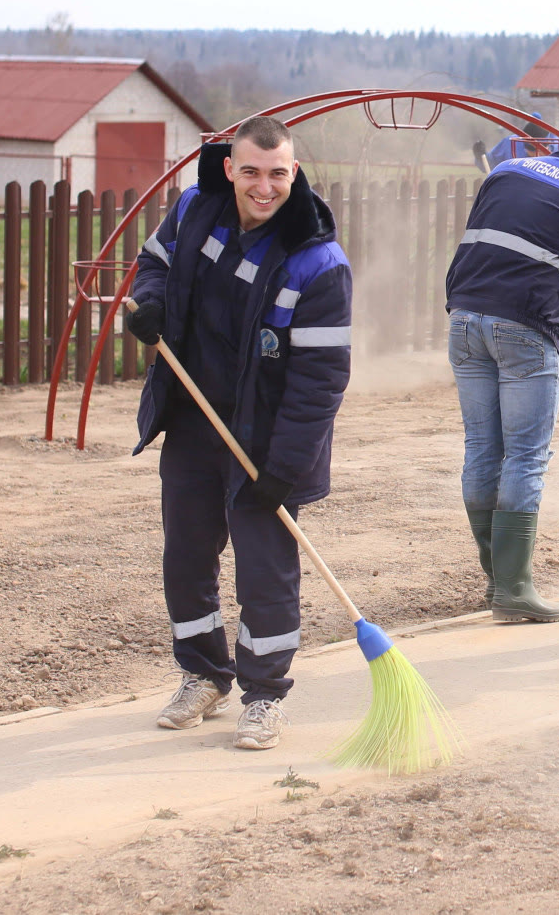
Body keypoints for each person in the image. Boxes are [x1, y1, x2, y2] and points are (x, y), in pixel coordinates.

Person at [125, 114, 353, 750]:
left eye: (278, 173)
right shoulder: (197, 208)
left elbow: (322, 380)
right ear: (229, 168)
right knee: (187, 556)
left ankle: (264, 696)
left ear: (294, 172)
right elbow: (154, 266)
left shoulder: (317, 262)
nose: (264, 186)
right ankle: (203, 675)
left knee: (265, 571)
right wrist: (153, 310)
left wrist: (284, 468)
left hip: (267, 440)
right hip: (195, 420)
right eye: (251, 171)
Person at [443, 125, 559, 621]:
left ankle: (497, 580)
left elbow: (473, 243)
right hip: (523, 327)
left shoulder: (506, 170)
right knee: (524, 457)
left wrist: (461, 307)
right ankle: (514, 591)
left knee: (482, 448)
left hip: (465, 318)